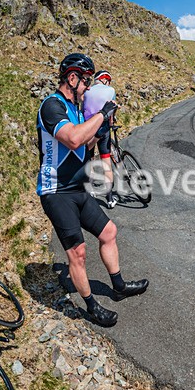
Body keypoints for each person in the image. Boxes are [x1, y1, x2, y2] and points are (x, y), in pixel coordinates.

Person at [37, 53, 149, 327]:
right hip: (56, 191)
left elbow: (84, 149)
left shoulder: (76, 109)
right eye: (86, 81)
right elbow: (73, 139)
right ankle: (91, 306)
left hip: (78, 189)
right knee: (78, 253)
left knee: (109, 232)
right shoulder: (52, 106)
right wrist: (101, 115)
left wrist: (101, 132)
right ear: (72, 78)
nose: (89, 87)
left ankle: (119, 286)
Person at [83, 70, 118, 208]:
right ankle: (109, 198)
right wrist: (112, 120)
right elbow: (113, 108)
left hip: (88, 128)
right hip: (103, 128)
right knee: (106, 161)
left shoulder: (87, 90)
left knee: (90, 158)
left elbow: (82, 108)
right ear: (106, 80)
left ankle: (91, 190)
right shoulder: (111, 90)